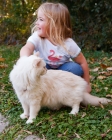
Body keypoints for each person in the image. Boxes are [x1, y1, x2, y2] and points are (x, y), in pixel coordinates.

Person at [20, 2, 91, 93]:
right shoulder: (37, 37)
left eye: (41, 19)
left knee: (75, 69)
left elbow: (82, 62)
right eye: (37, 19)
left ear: (55, 24)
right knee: (37, 69)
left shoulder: (69, 44)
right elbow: (27, 48)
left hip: (63, 70)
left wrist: (87, 84)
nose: (36, 23)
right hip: (45, 69)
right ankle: (41, 87)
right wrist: (25, 59)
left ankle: (62, 88)